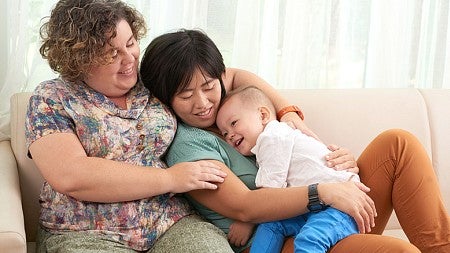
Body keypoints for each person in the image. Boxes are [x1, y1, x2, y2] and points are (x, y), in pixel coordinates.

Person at [140, 29, 450, 253]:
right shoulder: (189, 145)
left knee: (397, 143)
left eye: (209, 87)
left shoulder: (236, 110)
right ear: (165, 99)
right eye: (185, 95)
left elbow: (234, 76)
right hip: (285, 239)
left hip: (333, 212)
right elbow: (245, 207)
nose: (202, 102)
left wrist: (335, 167)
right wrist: (325, 191)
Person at [26, 1, 242, 252]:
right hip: (85, 233)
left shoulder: (150, 79)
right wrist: (170, 178)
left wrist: (287, 111)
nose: (129, 59)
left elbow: (228, 76)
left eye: (130, 43)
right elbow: (72, 176)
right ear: (80, 59)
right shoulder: (52, 98)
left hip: (170, 223)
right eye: (112, 53)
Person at [216, 85, 360, 252]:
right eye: (224, 133)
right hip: (316, 206)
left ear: (263, 115)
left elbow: (268, 196)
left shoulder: (272, 136)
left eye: (234, 123)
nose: (230, 135)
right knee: (271, 225)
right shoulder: (269, 144)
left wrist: (247, 221)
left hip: (341, 206)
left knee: (309, 240)